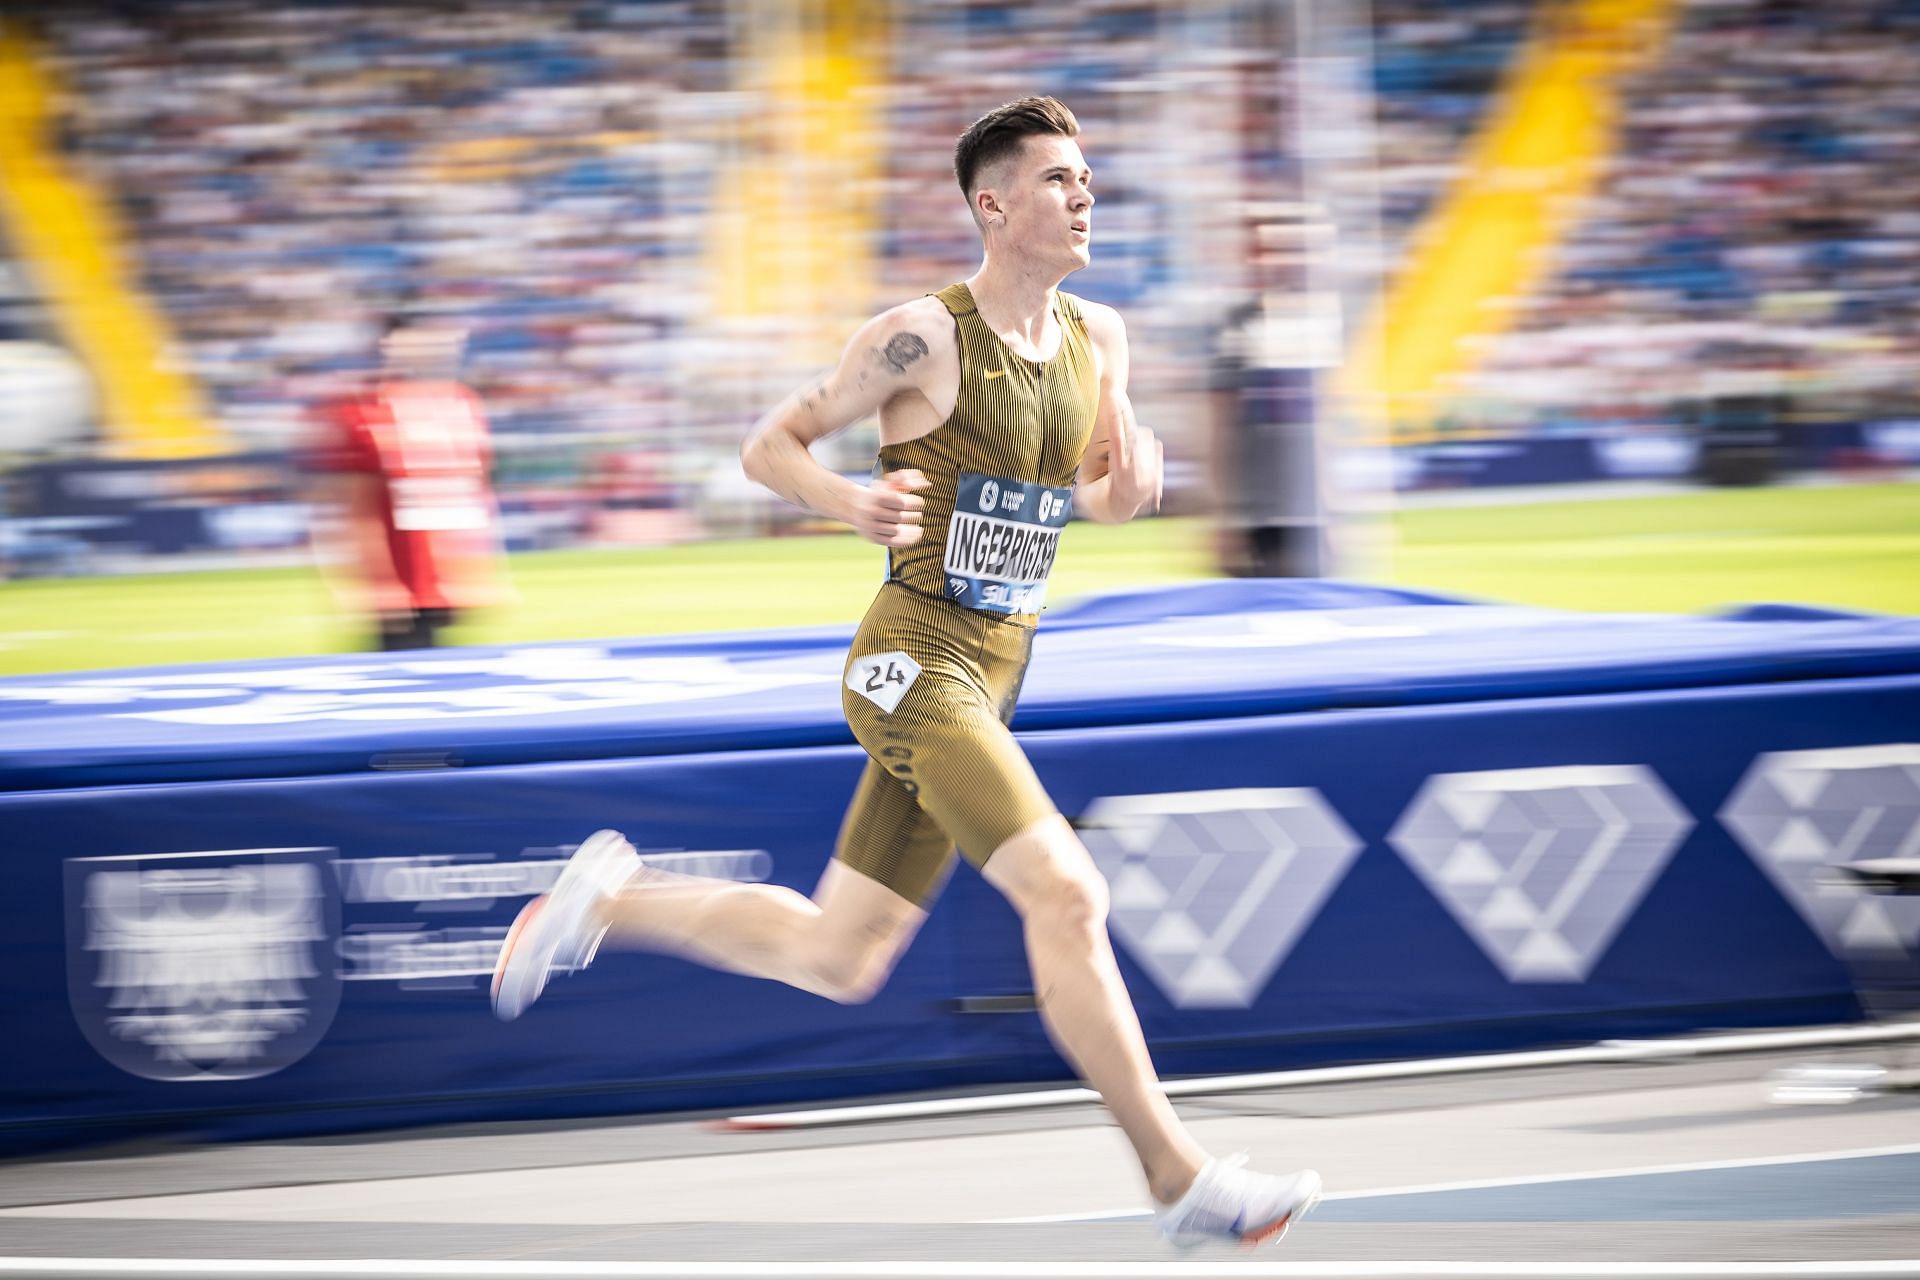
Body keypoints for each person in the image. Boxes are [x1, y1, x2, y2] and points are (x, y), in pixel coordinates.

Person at [491, 97, 1322, 1249]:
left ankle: (604, 902)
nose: (1084, 195)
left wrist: (1132, 491)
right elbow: (769, 443)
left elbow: (1095, 497)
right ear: (993, 205)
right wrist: (847, 499)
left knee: (841, 955)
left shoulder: (1102, 338)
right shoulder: (919, 338)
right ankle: (1177, 1174)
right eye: (1056, 180)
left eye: (1087, 179)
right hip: (908, 660)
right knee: (1070, 891)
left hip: (992, 672)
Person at [308, 317, 507, 651]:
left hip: (451, 582)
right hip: (403, 586)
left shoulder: (462, 403)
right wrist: (377, 583)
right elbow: (355, 507)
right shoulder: (362, 411)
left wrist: (483, 570)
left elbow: (477, 495)